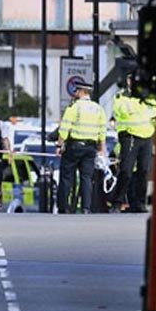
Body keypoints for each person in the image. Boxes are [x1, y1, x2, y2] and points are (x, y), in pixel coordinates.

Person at [56, 82, 107, 214]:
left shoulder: (74, 107)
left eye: (76, 90)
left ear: (81, 92)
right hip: (91, 148)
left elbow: (65, 127)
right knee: (86, 178)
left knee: (67, 176)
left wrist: (59, 145)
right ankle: (86, 207)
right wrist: (102, 149)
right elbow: (102, 131)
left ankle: (64, 206)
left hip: (75, 146)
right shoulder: (98, 108)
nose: (75, 93)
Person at [110, 79, 156, 213]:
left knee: (144, 171)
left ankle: (140, 204)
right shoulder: (121, 96)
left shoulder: (148, 97)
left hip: (147, 136)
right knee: (126, 171)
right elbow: (122, 112)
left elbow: (155, 111)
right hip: (130, 136)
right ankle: (117, 203)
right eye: (131, 79)